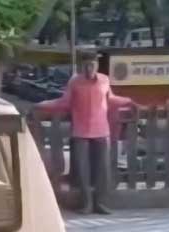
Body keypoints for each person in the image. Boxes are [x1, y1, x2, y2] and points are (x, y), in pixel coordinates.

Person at [34, 51, 137, 214]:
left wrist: (129, 101)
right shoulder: (74, 82)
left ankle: (100, 203)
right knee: (82, 171)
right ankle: (86, 204)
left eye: (92, 65)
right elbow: (65, 102)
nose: (89, 68)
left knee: (103, 170)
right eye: (86, 65)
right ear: (81, 66)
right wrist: (42, 104)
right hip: (80, 131)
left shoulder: (104, 80)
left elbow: (110, 99)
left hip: (101, 130)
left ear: (97, 65)